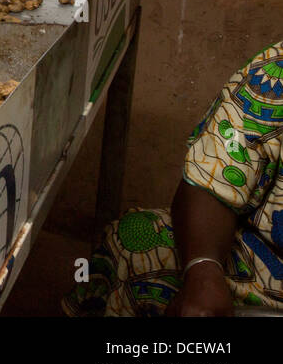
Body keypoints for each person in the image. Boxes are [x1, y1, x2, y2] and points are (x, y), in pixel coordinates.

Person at [64, 39, 283, 316]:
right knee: (132, 243)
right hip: (265, 270)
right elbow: (211, 179)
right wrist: (203, 271)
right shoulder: (275, 76)